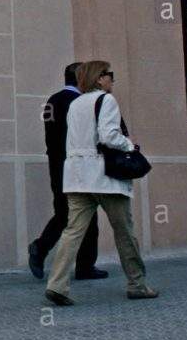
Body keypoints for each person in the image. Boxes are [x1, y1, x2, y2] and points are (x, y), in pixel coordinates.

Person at [44, 61, 159, 306]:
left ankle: (57, 285)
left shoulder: (75, 104)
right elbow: (108, 136)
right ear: (99, 78)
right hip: (104, 176)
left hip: (77, 177)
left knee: (72, 231)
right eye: (110, 75)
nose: (112, 80)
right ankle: (137, 284)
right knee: (124, 231)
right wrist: (130, 146)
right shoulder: (106, 100)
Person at [27, 63, 107, 281]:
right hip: (76, 166)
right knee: (87, 212)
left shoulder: (53, 100)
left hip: (57, 165)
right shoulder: (79, 103)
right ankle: (82, 265)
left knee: (64, 213)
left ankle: (43, 249)